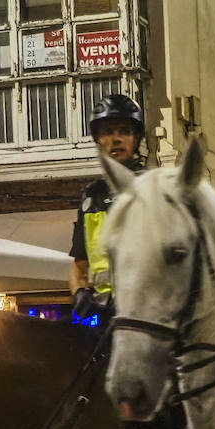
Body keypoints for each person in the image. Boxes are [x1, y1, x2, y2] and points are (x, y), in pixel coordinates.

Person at [70, 94, 147, 324]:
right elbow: (79, 266)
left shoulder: (152, 188)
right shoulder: (91, 198)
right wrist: (79, 293)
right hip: (105, 318)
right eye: (107, 132)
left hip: (150, 316)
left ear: (136, 138)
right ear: (98, 140)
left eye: (124, 131)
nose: (116, 139)